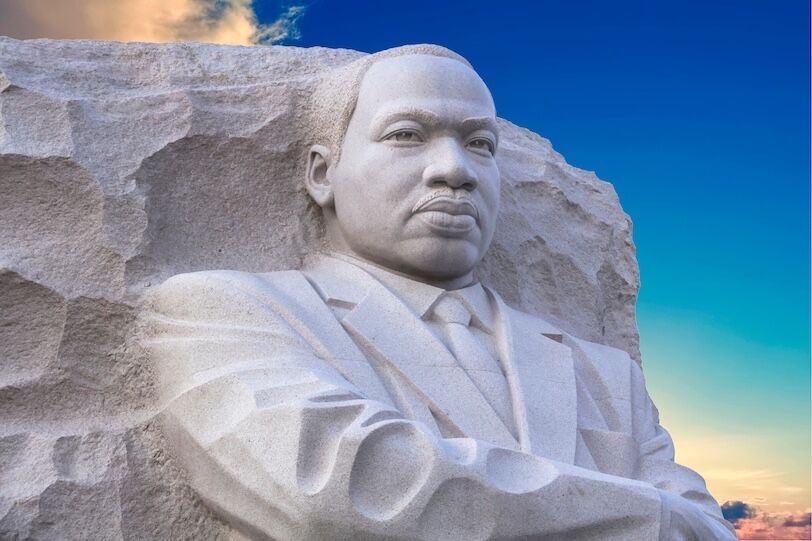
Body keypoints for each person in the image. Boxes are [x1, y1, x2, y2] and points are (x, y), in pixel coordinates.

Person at [146, 44, 736, 540]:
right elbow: (344, 484)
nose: (454, 169)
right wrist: (653, 517)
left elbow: (709, 525)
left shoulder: (606, 375)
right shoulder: (229, 311)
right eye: (407, 135)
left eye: (480, 143)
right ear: (323, 174)